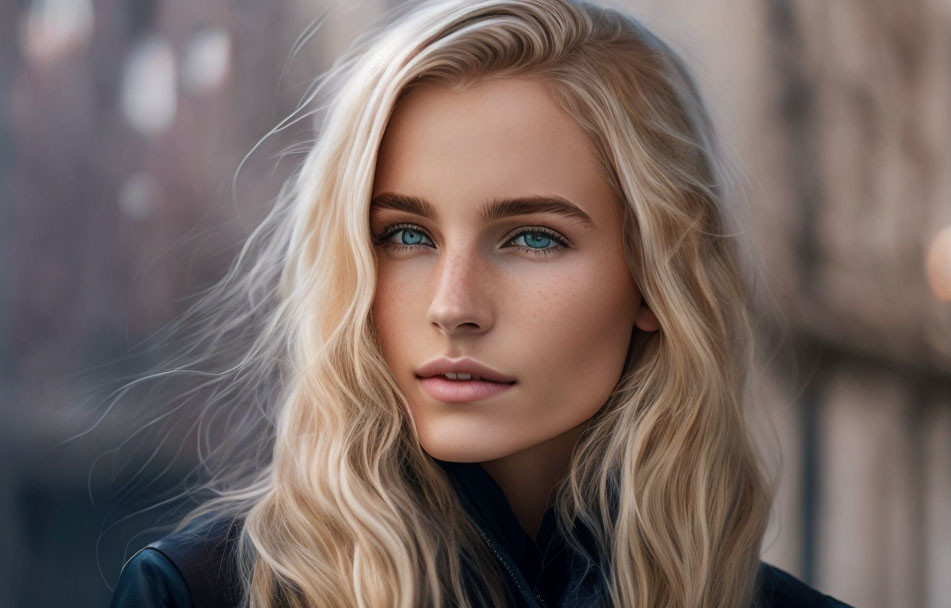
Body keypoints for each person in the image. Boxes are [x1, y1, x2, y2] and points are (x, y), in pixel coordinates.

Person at [109, 0, 854, 606]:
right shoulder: (194, 594)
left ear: (658, 275)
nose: (452, 305)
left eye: (532, 238)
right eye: (404, 234)